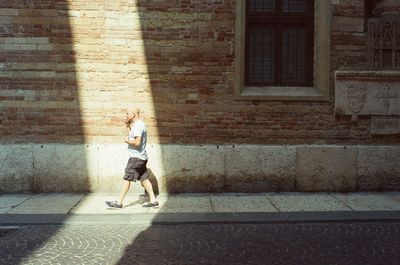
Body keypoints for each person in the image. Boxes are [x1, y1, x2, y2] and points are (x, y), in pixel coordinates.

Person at [106, 107, 158, 209]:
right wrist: (128, 126)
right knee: (144, 179)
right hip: (140, 157)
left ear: (133, 114)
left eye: (128, 114)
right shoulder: (137, 125)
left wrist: (127, 141)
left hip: (136, 158)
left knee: (127, 178)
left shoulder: (138, 125)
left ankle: (119, 203)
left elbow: (137, 143)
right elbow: (133, 137)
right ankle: (154, 201)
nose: (126, 115)